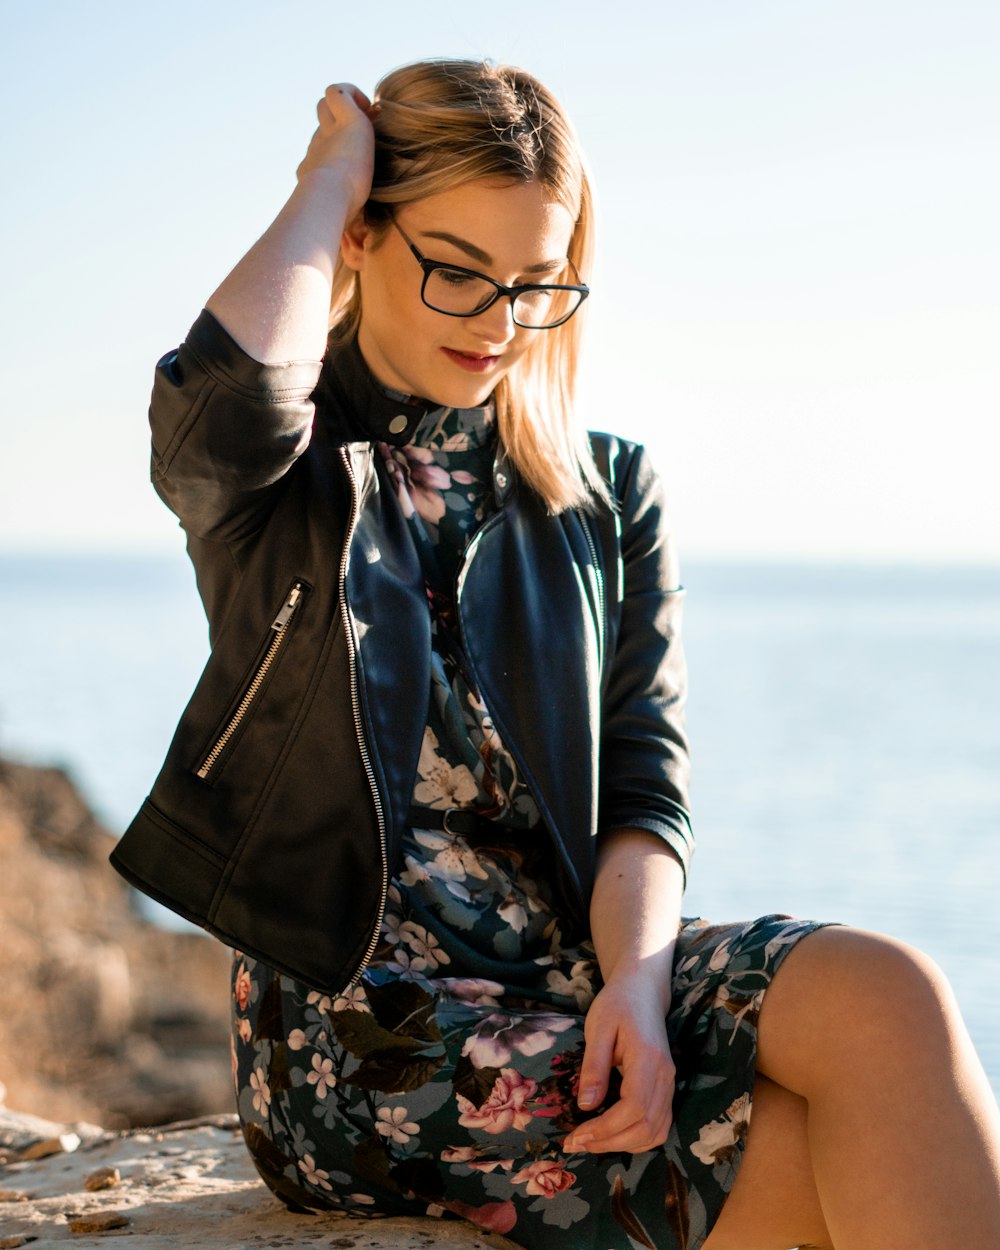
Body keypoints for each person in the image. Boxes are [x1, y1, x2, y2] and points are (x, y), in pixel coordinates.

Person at [111, 59, 1000, 1250]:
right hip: (365, 1030)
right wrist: (327, 178)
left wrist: (635, 981)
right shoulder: (290, 473)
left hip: (574, 968)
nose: (498, 323)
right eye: (456, 269)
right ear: (365, 241)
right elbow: (217, 414)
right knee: (795, 1151)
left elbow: (642, 778)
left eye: (535, 283)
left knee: (886, 993)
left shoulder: (607, 487)